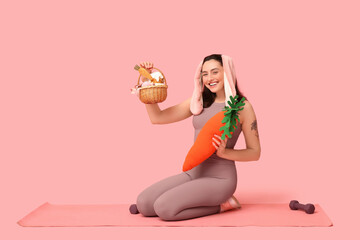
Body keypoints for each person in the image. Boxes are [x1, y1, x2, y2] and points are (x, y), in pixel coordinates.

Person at [130, 54, 261, 221]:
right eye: (204, 74)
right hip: (193, 174)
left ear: (227, 72)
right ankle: (199, 199)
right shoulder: (198, 101)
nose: (209, 78)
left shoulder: (242, 107)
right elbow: (157, 118)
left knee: (164, 208)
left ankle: (223, 204)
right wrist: (146, 84)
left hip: (220, 179)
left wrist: (225, 153)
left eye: (214, 72)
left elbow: (255, 152)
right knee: (144, 203)